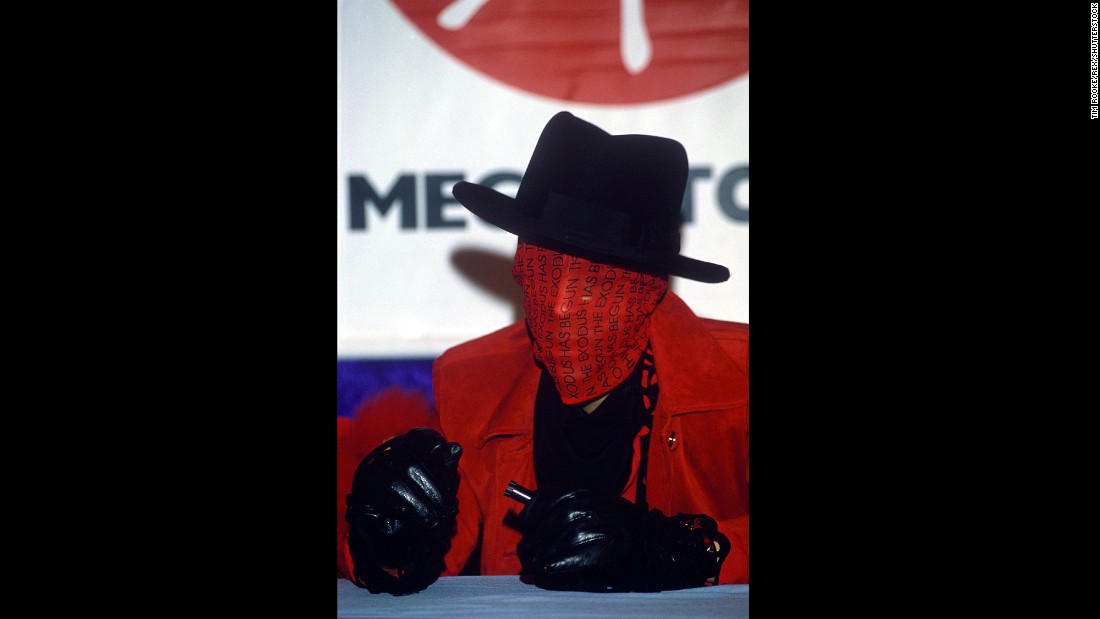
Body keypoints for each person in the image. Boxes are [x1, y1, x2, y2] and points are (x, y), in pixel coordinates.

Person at [337, 111, 748, 595]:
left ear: (650, 286)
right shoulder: (473, 382)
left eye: (597, 283)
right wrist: (385, 542)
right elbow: (427, 562)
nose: (562, 304)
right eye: (546, 272)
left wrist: (688, 550)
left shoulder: (736, 380)